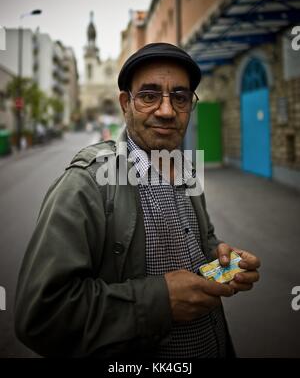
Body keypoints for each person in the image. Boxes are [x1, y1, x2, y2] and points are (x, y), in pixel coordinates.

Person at [15, 43, 260, 359]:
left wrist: (220, 255)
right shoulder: (86, 184)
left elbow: (201, 239)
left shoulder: (185, 169)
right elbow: (40, 316)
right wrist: (158, 301)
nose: (167, 111)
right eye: (149, 96)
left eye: (180, 98)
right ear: (124, 103)